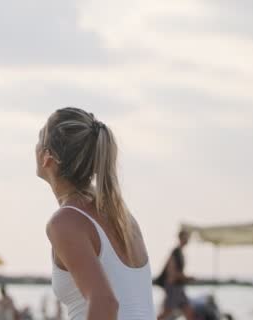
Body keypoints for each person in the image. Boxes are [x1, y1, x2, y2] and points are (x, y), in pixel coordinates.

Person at [36, 107, 155, 319]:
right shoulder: (121, 216)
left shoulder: (66, 222)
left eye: (39, 138)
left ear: (47, 157)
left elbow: (106, 303)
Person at [156, 230, 195, 320]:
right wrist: (186, 277)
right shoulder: (175, 252)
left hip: (178, 287)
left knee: (188, 311)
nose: (187, 240)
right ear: (180, 238)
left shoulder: (180, 253)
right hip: (173, 287)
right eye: (185, 237)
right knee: (166, 312)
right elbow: (171, 273)